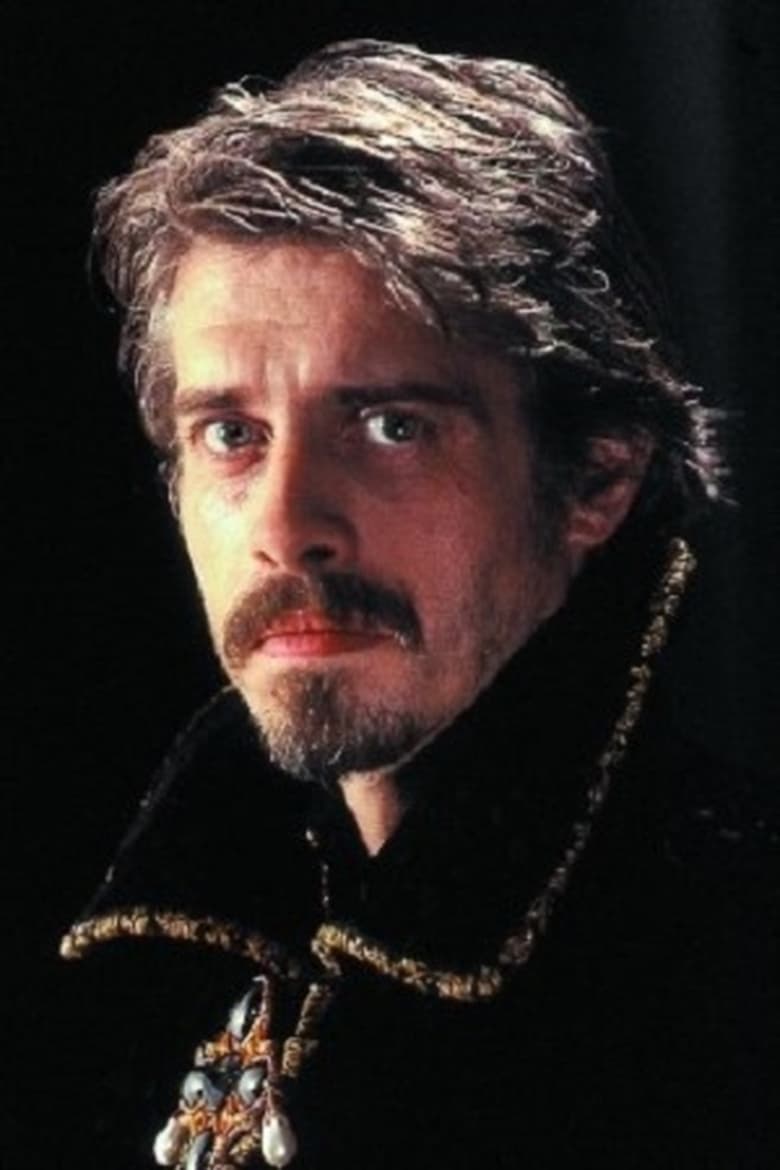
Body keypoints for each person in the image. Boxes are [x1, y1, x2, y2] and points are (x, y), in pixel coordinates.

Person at [60, 39, 774, 1170]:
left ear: (595, 478)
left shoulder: (731, 963)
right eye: (231, 435)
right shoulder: (141, 976)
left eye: (391, 425)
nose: (287, 524)